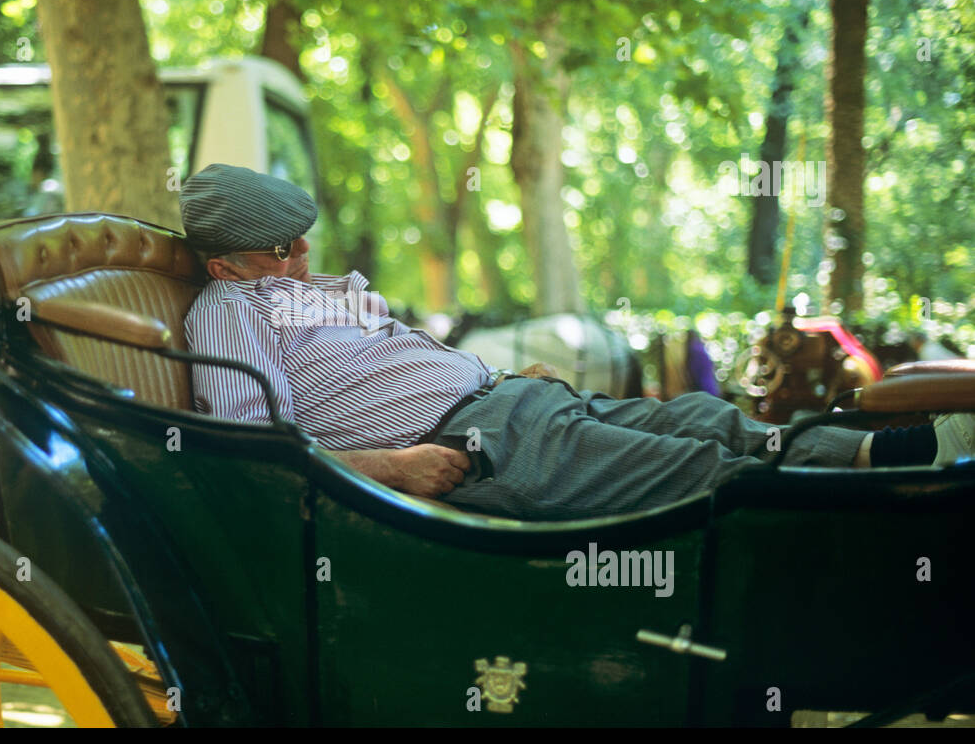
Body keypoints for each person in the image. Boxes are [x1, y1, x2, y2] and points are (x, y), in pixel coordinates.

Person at [180, 163, 974, 520]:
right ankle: (904, 515)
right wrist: (390, 465)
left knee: (707, 419)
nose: (302, 257)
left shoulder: (309, 290)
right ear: (225, 261)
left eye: (302, 238)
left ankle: (902, 455)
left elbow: (389, 366)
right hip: (473, 448)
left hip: (505, 403)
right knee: (705, 471)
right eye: (281, 249)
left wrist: (493, 373)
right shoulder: (228, 307)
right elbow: (255, 448)